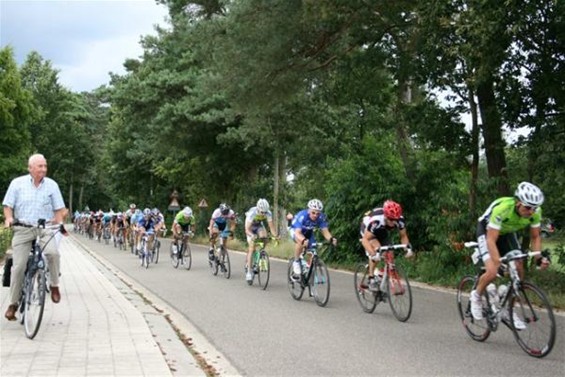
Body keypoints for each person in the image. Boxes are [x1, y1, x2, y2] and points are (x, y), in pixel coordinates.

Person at [470, 182, 549, 328]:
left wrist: (539, 258)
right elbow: (491, 239)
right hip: (487, 232)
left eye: (534, 208)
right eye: (528, 207)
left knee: (519, 268)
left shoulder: (535, 212)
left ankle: (508, 309)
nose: (531, 211)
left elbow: (535, 237)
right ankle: (476, 296)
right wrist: (497, 263)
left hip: (506, 233)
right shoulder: (503, 209)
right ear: (518, 202)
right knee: (493, 271)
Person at [3, 154, 67, 321]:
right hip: (23, 228)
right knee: (18, 267)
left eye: (45, 166)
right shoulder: (17, 184)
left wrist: (59, 223)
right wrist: (9, 219)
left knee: (53, 253)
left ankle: (54, 285)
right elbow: (8, 206)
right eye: (40, 166)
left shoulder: (52, 185)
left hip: (44, 228)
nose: (43, 169)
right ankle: (13, 304)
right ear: (30, 168)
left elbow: (59, 209)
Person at [360, 200, 413, 291]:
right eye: (391, 219)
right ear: (385, 216)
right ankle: (371, 277)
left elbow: (403, 236)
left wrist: (407, 249)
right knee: (378, 250)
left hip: (381, 230)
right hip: (368, 230)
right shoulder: (376, 220)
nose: (393, 222)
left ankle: (381, 273)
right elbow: (365, 240)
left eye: (395, 220)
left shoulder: (399, 219)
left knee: (390, 252)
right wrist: (373, 254)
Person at [289, 199, 337, 279]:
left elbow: (325, 232)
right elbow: (297, 233)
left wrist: (331, 239)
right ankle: (296, 261)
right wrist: (303, 240)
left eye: (318, 213)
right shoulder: (302, 216)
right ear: (309, 210)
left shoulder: (321, 217)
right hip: (296, 231)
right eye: (313, 213)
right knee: (300, 242)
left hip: (308, 232)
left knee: (312, 250)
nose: (315, 215)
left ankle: (308, 270)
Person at [244, 199, 279, 282]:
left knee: (264, 237)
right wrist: (252, 235)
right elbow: (247, 229)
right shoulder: (252, 213)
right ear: (258, 209)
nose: (263, 214)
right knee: (252, 248)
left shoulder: (268, 213)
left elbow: (271, 227)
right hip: (250, 228)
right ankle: (249, 272)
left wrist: (276, 236)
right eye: (262, 212)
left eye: (265, 212)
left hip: (259, 225)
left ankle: (261, 254)